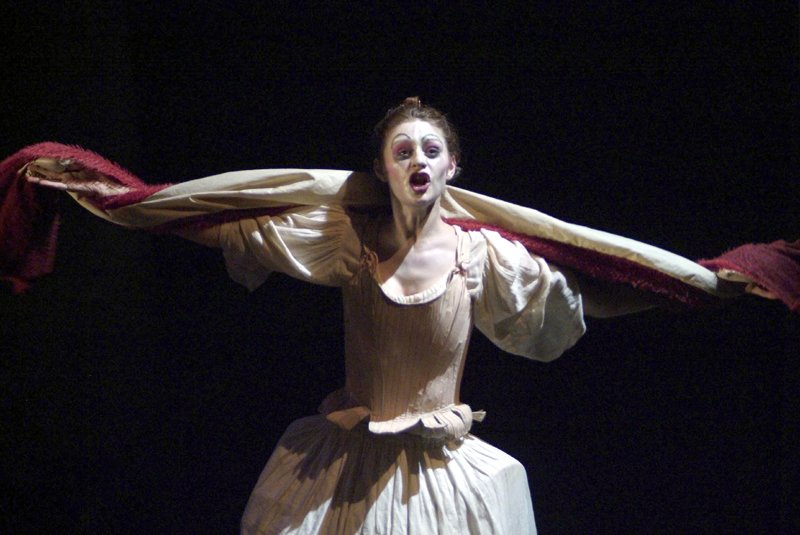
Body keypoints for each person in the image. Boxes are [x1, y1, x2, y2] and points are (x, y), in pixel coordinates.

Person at [12, 97, 794, 534]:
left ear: (453, 167)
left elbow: (587, 293)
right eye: (401, 150)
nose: (417, 159)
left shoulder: (480, 255)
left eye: (430, 149)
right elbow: (223, 226)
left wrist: (700, 286)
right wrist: (107, 197)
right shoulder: (346, 242)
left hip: (443, 477)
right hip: (346, 467)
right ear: (381, 169)